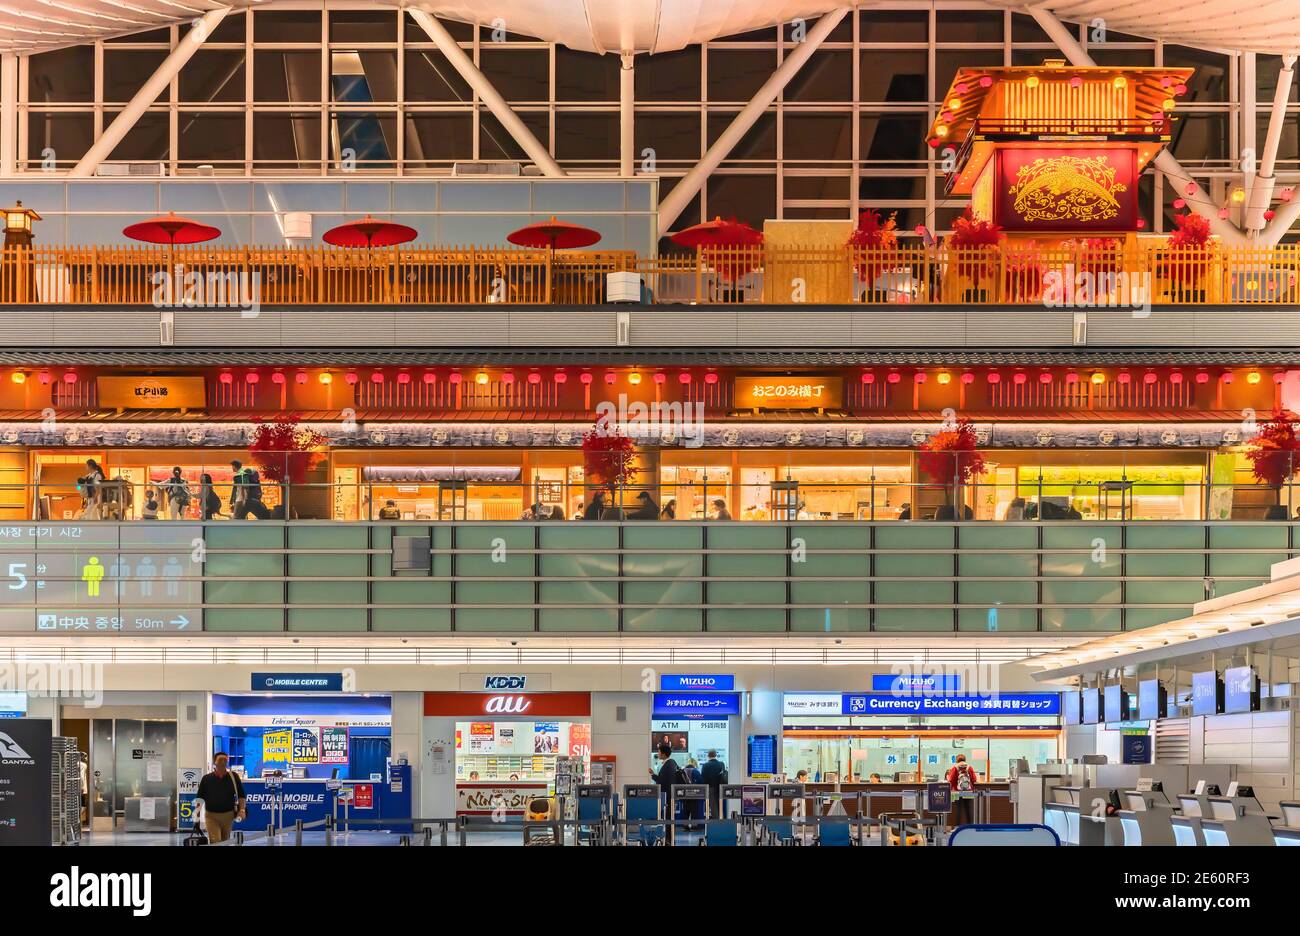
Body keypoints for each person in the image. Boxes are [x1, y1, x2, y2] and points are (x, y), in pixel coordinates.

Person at [195, 752, 246, 844]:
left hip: (228, 815)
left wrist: (242, 810)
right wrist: (196, 819)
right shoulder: (206, 779)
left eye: (225, 760)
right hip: (211, 816)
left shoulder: (233, 777)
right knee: (216, 841)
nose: (223, 762)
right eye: (220, 760)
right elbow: (199, 799)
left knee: (225, 841)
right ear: (215, 762)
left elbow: (241, 795)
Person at [650, 741, 681, 818]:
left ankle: (668, 829)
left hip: (667, 795)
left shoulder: (668, 765)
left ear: (663, 754)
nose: (658, 753)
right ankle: (668, 828)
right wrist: (653, 774)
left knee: (667, 814)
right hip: (669, 794)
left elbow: (662, 781)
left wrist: (653, 776)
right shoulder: (671, 763)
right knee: (668, 814)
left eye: (659, 752)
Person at [947, 754, 977, 825]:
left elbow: (951, 780)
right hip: (968, 791)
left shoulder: (955, 768)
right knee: (969, 809)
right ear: (965, 759)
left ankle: (957, 827)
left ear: (957, 760)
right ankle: (970, 826)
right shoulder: (969, 767)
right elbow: (974, 779)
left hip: (957, 792)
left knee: (958, 810)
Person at [700, 749, 727, 818]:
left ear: (708, 755)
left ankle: (716, 822)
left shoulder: (705, 765)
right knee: (720, 805)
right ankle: (722, 820)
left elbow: (702, 778)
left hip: (710, 788)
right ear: (716, 755)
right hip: (721, 788)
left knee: (713, 806)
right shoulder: (721, 764)